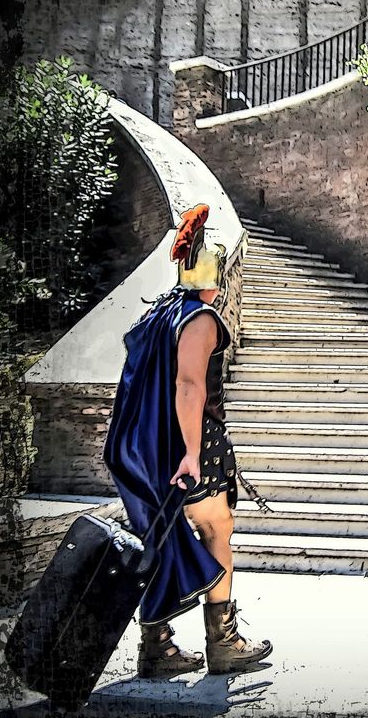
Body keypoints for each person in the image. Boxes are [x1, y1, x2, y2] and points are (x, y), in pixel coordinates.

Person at [103, 203, 273, 676]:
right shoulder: (198, 318)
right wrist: (193, 454)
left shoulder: (160, 314)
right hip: (187, 449)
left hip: (148, 450)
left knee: (159, 538)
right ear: (214, 278)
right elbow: (189, 386)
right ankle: (225, 643)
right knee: (216, 529)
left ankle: (157, 649)